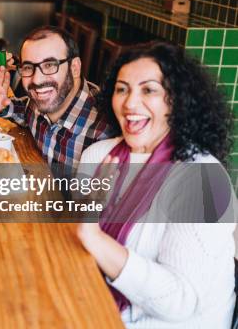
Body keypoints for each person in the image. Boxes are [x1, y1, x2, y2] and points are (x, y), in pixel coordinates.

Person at [76, 42, 235, 327]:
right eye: (122, 89)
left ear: (177, 101)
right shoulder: (98, 156)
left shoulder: (202, 180)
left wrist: (95, 239)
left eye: (148, 90)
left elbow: (181, 302)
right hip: (93, 302)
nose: (130, 103)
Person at [0, 25, 111, 179]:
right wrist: (2, 106)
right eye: (28, 67)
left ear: (75, 68)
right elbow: (26, 112)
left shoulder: (103, 133)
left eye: (50, 65)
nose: (37, 80)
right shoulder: (40, 102)